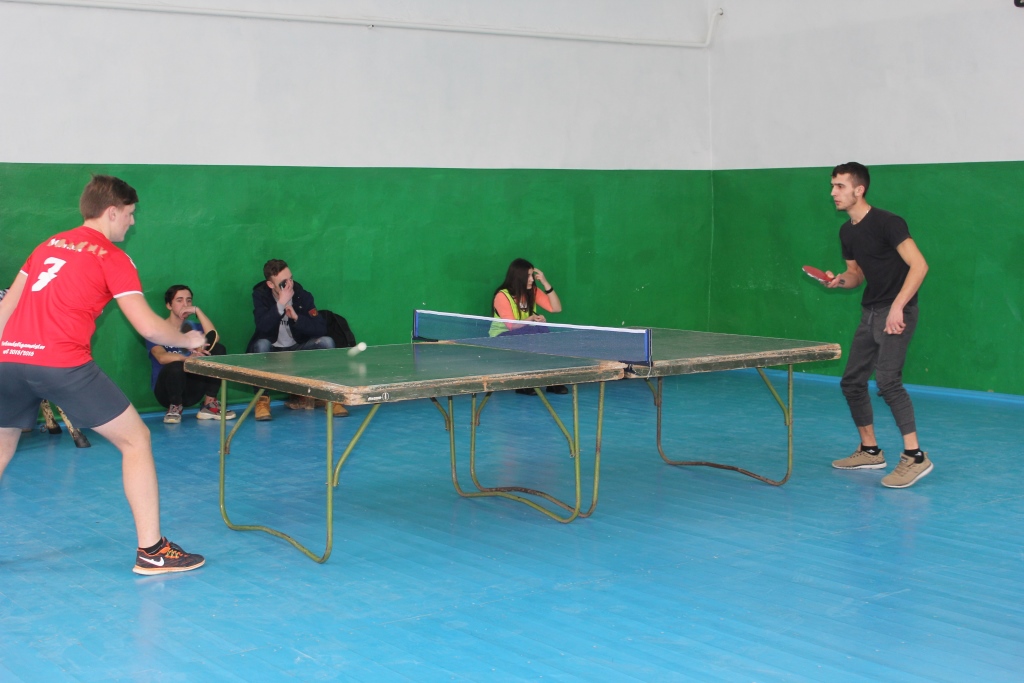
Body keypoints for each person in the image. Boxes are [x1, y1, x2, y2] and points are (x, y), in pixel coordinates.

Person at [0, 175, 205, 574]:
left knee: (2, 446)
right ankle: (152, 551)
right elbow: (148, 327)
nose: (132, 221)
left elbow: (6, 310)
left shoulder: (46, 245)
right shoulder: (112, 257)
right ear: (112, 211)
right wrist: (187, 338)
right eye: (129, 213)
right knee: (136, 440)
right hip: (61, 363)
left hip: (8, 359)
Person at [825, 162, 931, 488]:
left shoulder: (888, 223)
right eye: (832, 186)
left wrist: (898, 307)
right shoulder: (847, 232)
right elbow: (856, 274)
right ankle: (870, 450)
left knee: (887, 381)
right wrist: (840, 280)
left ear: (859, 190)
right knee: (852, 382)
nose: (833, 192)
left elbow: (919, 265)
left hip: (897, 311)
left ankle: (915, 456)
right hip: (870, 312)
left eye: (840, 186)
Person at [247, 259, 347, 419]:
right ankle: (262, 400)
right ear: (270, 284)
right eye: (283, 283)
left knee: (327, 341)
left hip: (297, 349)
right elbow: (262, 326)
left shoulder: (302, 296)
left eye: (291, 279)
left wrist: (297, 318)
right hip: (273, 351)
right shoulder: (261, 296)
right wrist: (280, 304)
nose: (289, 285)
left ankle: (331, 398)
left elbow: (320, 328)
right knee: (260, 344)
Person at [147, 284, 237, 424]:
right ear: (169, 305)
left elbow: (214, 337)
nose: (185, 304)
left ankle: (209, 404)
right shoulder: (156, 330)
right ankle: (174, 407)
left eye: (188, 300)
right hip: (166, 392)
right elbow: (161, 357)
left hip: (192, 390)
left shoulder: (195, 328)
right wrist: (187, 358)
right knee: (176, 365)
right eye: (179, 300)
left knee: (218, 349)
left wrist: (197, 311)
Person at [490, 258, 568, 395]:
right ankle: (524, 381)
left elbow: (556, 308)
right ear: (518, 277)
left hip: (524, 333)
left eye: (532, 275)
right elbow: (512, 326)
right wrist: (531, 318)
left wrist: (545, 282)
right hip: (500, 337)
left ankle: (551, 379)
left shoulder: (533, 291)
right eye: (528, 276)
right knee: (531, 331)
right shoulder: (502, 296)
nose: (532, 279)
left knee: (542, 329)